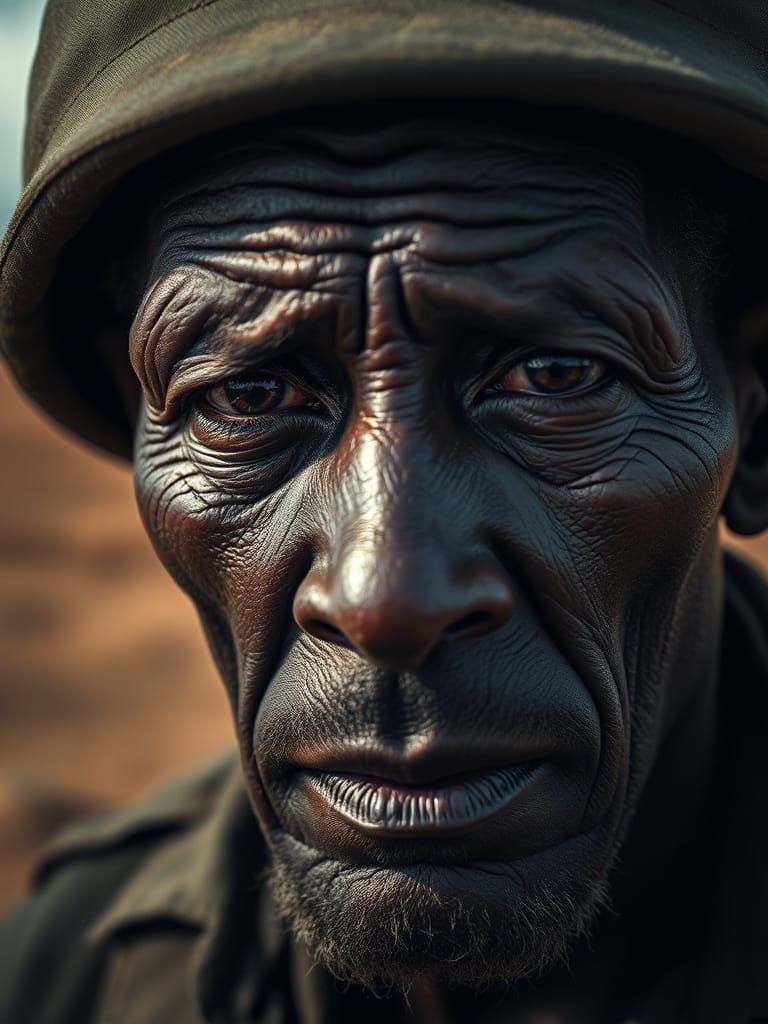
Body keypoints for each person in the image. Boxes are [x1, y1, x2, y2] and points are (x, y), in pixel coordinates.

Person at [2, 3, 768, 1022]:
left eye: (553, 375)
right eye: (249, 395)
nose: (383, 597)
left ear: (756, 419)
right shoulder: (65, 976)